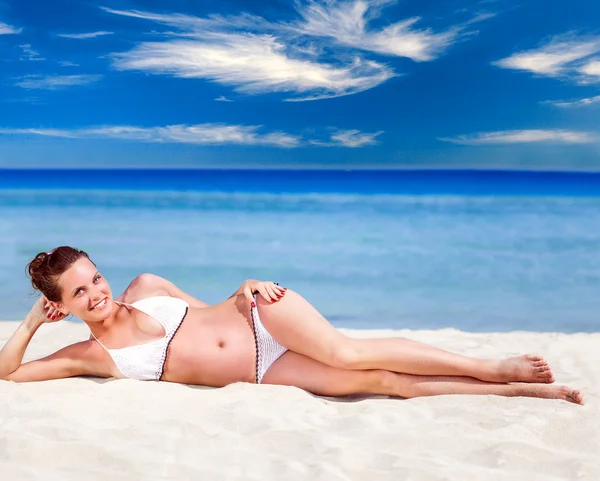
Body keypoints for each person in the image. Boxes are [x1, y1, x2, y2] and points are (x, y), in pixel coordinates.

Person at [0, 246, 584, 405]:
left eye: (96, 278)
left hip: (261, 313)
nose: (97, 292)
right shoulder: (88, 355)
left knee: (351, 354)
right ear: (63, 304)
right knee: (384, 384)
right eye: (79, 291)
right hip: (263, 370)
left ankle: (490, 366)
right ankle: (522, 388)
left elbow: (209, 309)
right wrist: (31, 320)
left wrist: (245, 286)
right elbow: (10, 375)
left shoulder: (147, 286)